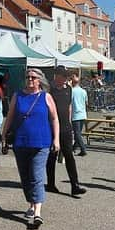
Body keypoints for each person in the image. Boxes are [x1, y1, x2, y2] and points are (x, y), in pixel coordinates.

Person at [3, 68, 59, 228]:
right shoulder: (17, 96)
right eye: (27, 77)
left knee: (36, 176)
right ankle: (31, 204)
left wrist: (56, 139)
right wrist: (4, 134)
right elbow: (10, 116)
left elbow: (55, 119)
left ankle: (38, 213)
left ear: (39, 80)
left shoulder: (46, 97)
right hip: (20, 142)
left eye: (33, 77)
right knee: (25, 177)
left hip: (41, 143)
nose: (29, 80)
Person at [46, 66, 87, 196]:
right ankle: (51, 184)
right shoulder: (49, 90)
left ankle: (75, 185)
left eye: (66, 76)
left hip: (66, 128)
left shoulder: (68, 89)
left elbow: (69, 107)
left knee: (69, 157)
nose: (65, 79)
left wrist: (69, 123)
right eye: (63, 76)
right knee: (51, 157)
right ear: (56, 76)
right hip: (52, 128)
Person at [70, 73, 88, 156]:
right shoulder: (84, 91)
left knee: (77, 134)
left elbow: (69, 103)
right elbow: (86, 103)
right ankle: (73, 148)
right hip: (83, 114)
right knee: (78, 133)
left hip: (76, 114)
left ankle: (83, 149)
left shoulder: (72, 91)